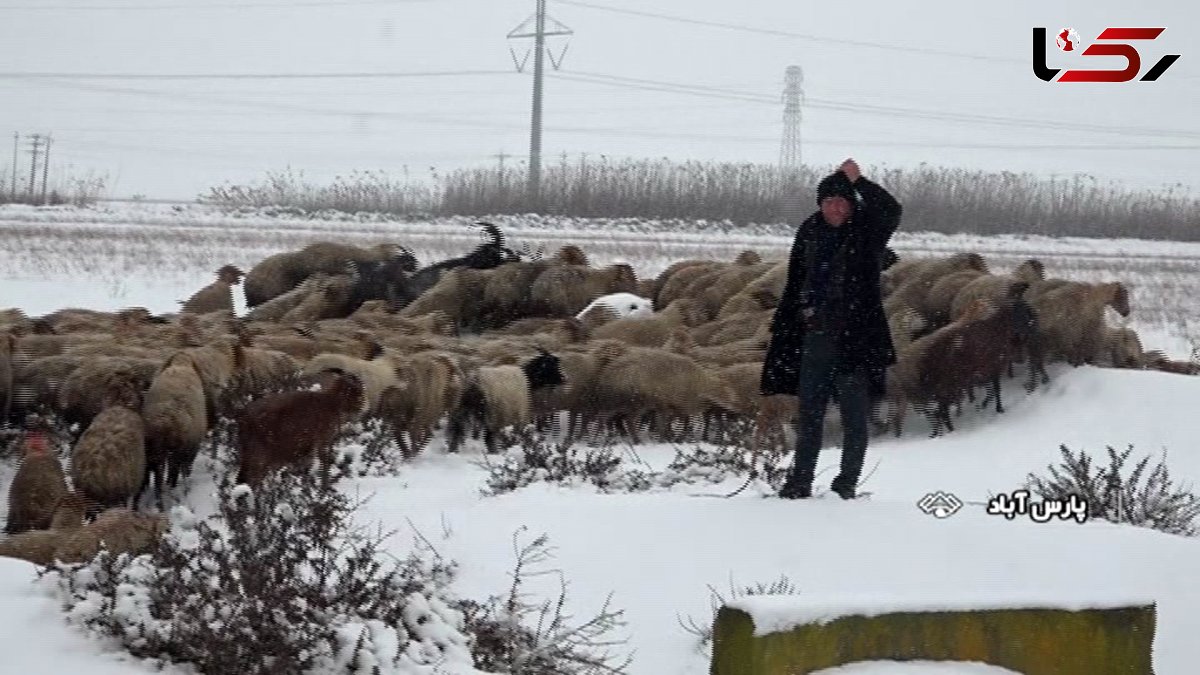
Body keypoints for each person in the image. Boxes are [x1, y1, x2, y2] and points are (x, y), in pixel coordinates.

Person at [760, 158, 902, 499]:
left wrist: (860, 181)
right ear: (820, 204)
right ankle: (800, 482)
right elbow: (797, 279)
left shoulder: (867, 231)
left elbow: (891, 209)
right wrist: (790, 323)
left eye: (843, 202)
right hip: (814, 337)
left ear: (852, 205)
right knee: (810, 415)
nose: (836, 208)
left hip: (853, 339)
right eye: (829, 202)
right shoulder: (810, 231)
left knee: (854, 417)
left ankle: (846, 485)